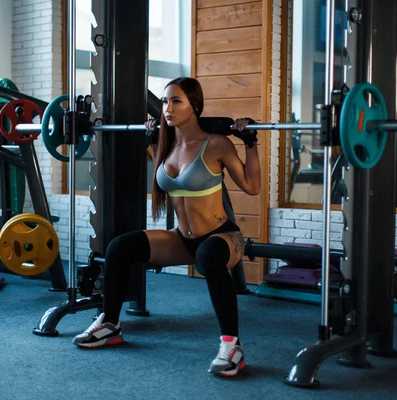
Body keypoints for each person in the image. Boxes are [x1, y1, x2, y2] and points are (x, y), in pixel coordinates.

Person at [72, 77, 261, 377]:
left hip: (221, 238)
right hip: (182, 240)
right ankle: (110, 324)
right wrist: (151, 140)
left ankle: (232, 346)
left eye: (176, 101)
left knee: (209, 256)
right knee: (119, 247)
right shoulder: (167, 146)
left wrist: (250, 142)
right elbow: (161, 167)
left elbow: (252, 186)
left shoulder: (216, 144)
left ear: (195, 106)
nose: (167, 108)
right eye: (164, 101)